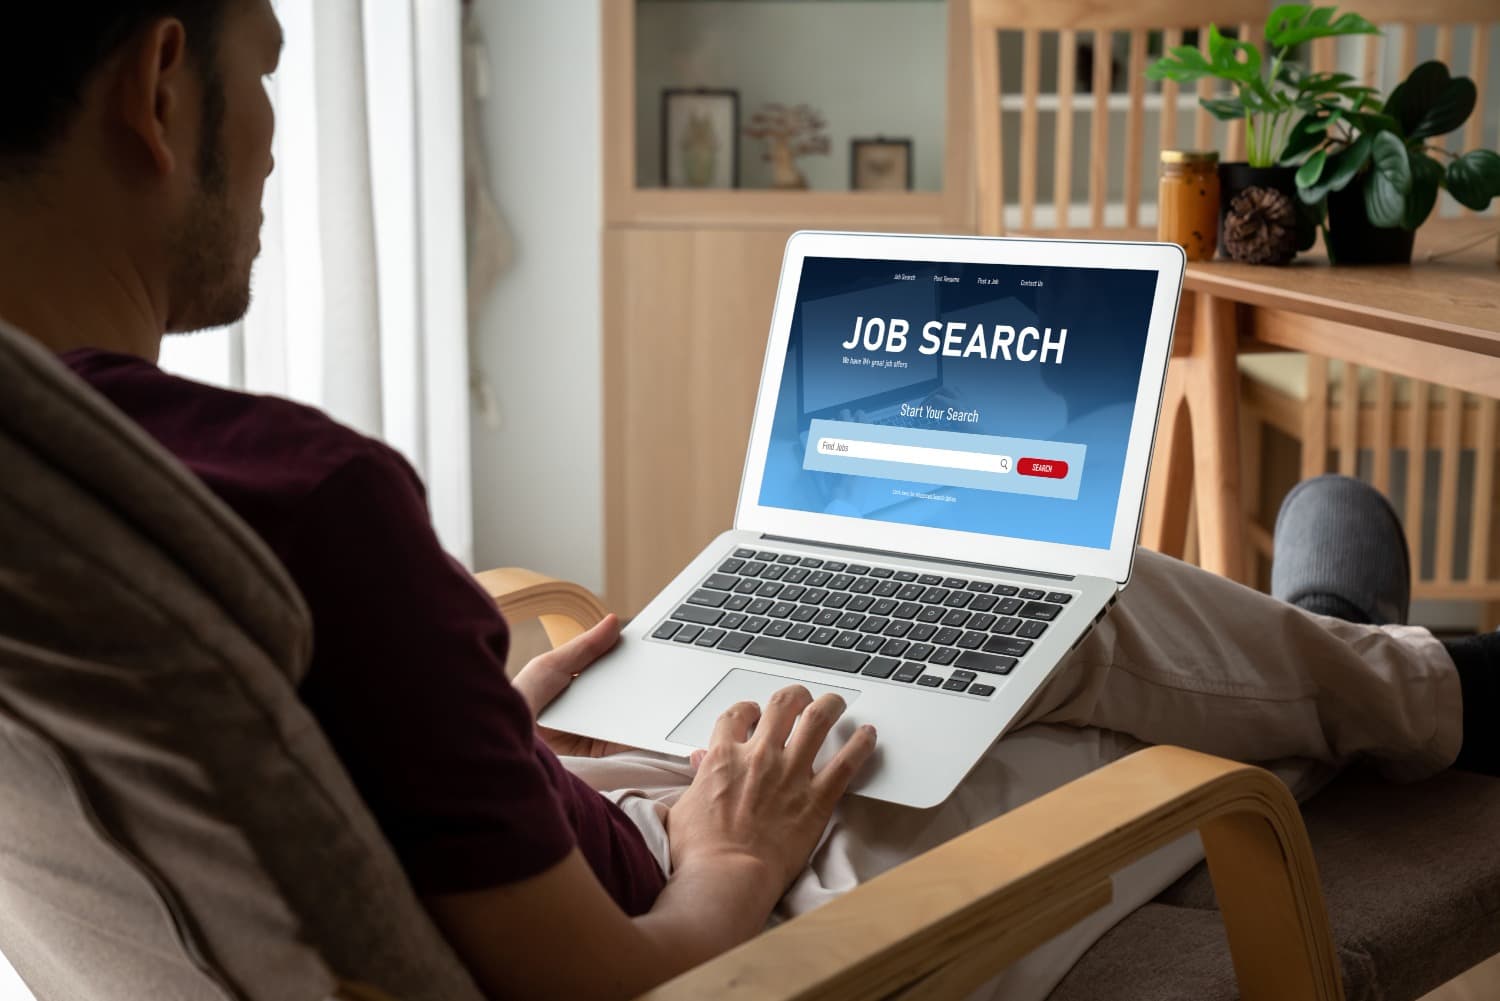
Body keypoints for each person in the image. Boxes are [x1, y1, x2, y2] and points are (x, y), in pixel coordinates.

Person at [1, 3, 1495, 998]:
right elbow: (626, 986)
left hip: (582, 827)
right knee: (1098, 632)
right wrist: (730, 856)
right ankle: (1398, 666)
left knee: (987, 635)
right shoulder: (315, 503)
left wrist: (467, 726)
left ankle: (1349, 639)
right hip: (748, 935)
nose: (270, 136)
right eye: (263, 72)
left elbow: (302, 798)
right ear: (156, 86)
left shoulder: (86, 490)